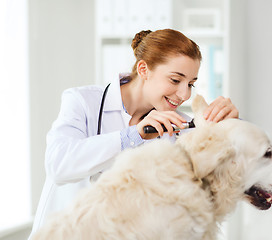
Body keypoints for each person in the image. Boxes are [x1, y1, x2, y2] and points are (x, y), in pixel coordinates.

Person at [28, 29, 239, 237]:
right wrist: (133, 135)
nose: (185, 94)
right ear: (144, 70)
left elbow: (231, 161)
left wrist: (232, 123)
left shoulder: (178, 126)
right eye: (175, 80)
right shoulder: (83, 101)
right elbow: (59, 164)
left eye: (191, 84)